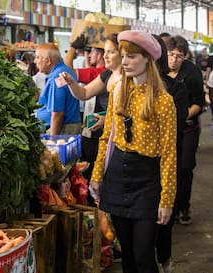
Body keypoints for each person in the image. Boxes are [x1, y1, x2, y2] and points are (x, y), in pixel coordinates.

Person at [90, 30, 177, 273]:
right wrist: (97, 175)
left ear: (148, 58)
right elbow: (107, 137)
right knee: (127, 253)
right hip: (117, 175)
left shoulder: (163, 101)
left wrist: (167, 199)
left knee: (143, 255)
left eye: (132, 57)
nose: (125, 61)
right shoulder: (118, 91)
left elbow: (169, 153)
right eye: (123, 56)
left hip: (147, 180)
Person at [61, 33, 121, 205]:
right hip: (102, 137)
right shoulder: (106, 75)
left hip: (119, 141)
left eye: (110, 52)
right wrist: (72, 83)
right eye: (105, 51)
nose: (105, 56)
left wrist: (108, 121)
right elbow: (84, 93)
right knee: (98, 180)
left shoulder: (129, 80)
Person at [152, 34, 188, 273]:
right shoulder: (126, 88)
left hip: (163, 163)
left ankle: (164, 260)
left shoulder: (174, 89)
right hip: (132, 170)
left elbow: (175, 131)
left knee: (161, 218)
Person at [166, 35, 204, 225]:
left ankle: (183, 205)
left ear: (185, 56)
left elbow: (199, 102)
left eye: (179, 56)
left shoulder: (192, 72)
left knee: (185, 167)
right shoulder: (159, 71)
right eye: (171, 55)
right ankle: (168, 206)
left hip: (188, 128)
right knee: (168, 168)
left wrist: (181, 118)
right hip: (165, 131)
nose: (174, 59)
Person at [35, 43, 81, 135]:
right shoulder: (65, 70)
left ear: (48, 61)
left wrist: (53, 140)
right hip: (68, 126)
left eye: (38, 57)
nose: (35, 61)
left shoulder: (57, 77)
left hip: (62, 129)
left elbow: (58, 114)